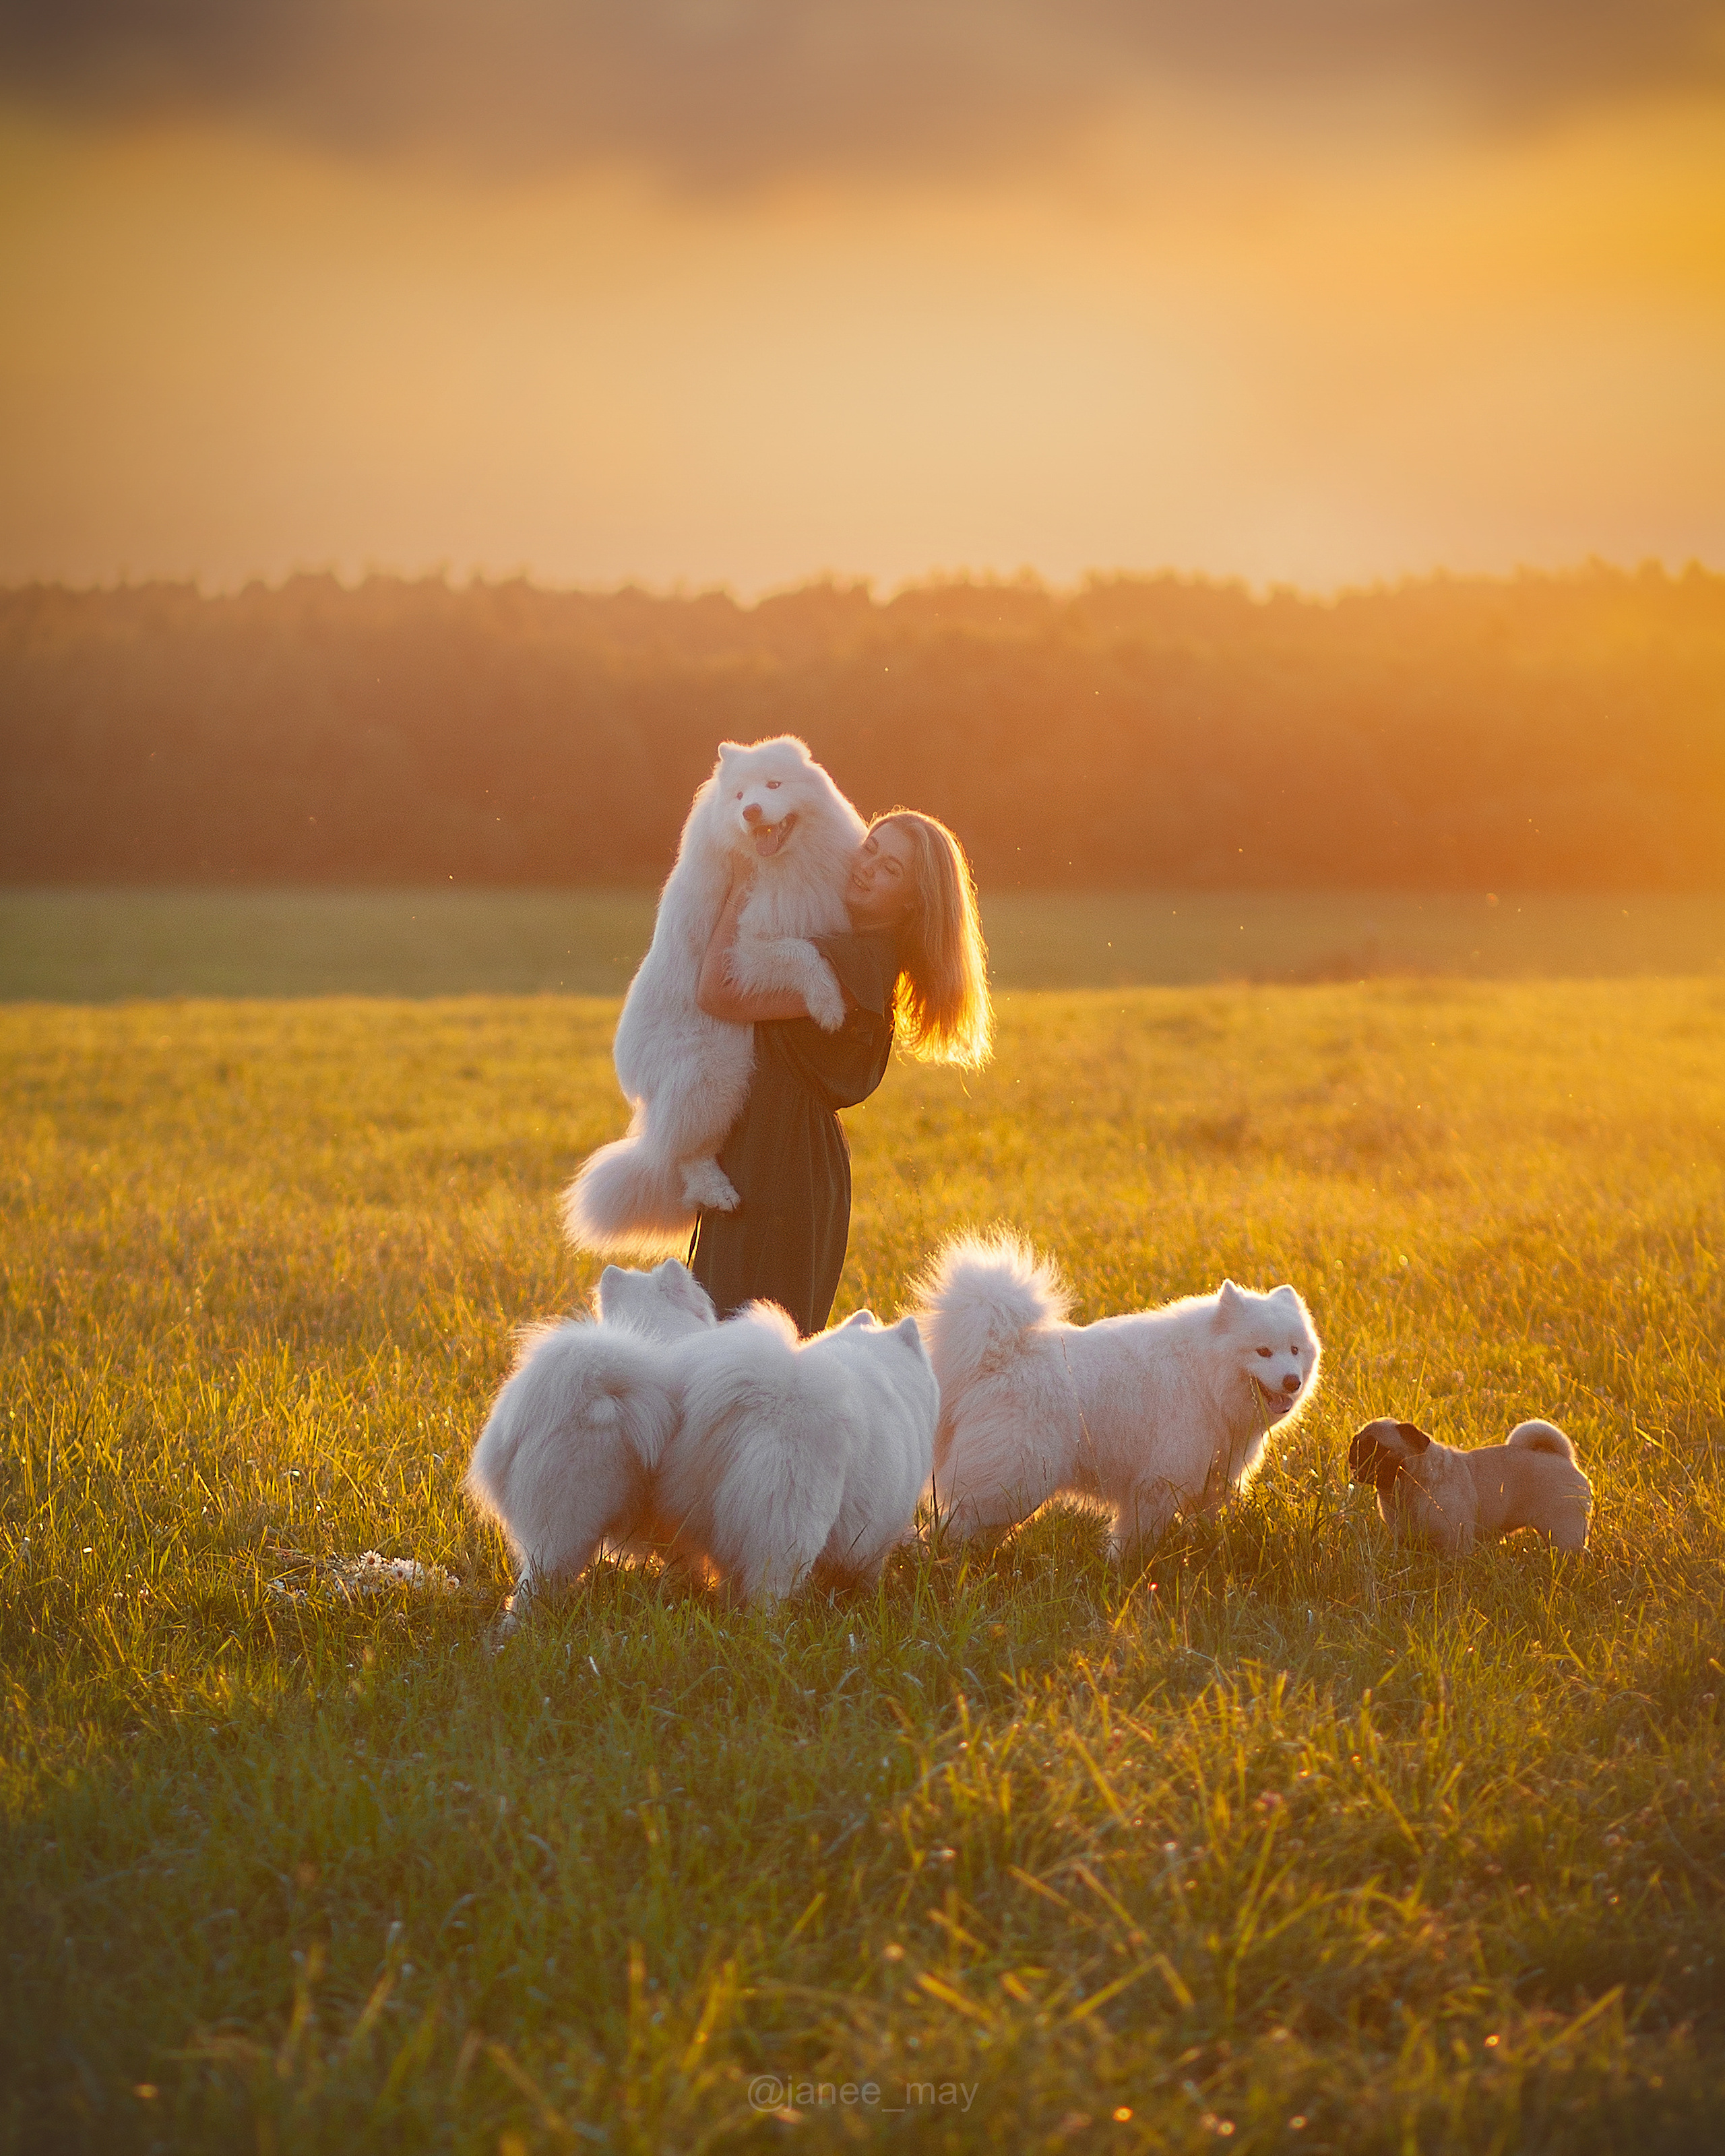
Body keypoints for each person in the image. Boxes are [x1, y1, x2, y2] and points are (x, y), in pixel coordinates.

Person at [688, 808, 993, 1335]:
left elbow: (720, 991)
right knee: (721, 1349)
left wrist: (747, 882)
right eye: (871, 847)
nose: (868, 866)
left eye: (891, 869)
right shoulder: (850, 945)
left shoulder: (860, 962)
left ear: (914, 901)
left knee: (744, 1359)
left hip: (782, 1173)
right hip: (766, 1156)